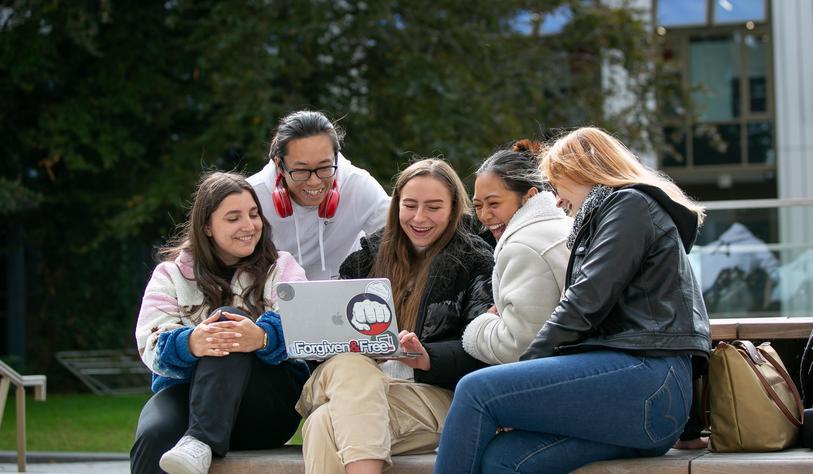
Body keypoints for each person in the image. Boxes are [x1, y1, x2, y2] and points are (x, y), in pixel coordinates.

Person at [435, 127, 711, 474]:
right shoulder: (609, 216)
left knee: (477, 391)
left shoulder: (630, 205)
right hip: (645, 403)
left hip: (647, 387)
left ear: (581, 172)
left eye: (557, 182)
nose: (557, 198)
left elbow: (584, 303)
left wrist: (525, 375)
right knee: (503, 460)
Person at [295, 159, 494, 474]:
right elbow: (321, 352)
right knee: (352, 366)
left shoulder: (476, 263)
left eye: (433, 207)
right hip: (353, 385)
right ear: (396, 205)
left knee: (324, 423)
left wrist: (429, 358)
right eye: (410, 205)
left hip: (434, 396)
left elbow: (487, 349)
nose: (419, 217)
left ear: (454, 207)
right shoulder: (363, 262)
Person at [131, 172, 308, 474]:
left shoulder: (281, 267)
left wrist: (264, 338)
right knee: (154, 434)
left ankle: (201, 440)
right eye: (233, 218)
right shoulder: (170, 276)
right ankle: (198, 439)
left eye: (254, 214)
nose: (249, 226)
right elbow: (151, 345)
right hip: (187, 395)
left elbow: (306, 324)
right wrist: (191, 343)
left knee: (231, 321)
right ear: (207, 227)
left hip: (266, 404)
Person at [463, 140, 571, 364]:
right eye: (478, 205)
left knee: (471, 388)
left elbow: (518, 347)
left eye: (493, 203)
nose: (484, 215)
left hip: (563, 369)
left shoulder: (523, 246)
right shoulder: (562, 226)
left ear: (529, 196)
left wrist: (479, 327)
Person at [248, 110, 390, 280]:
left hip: (345, 291)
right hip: (275, 298)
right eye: (301, 170)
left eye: (324, 167)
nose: (314, 182)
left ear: (336, 158)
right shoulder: (252, 195)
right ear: (279, 165)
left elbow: (396, 239)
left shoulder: (358, 184)